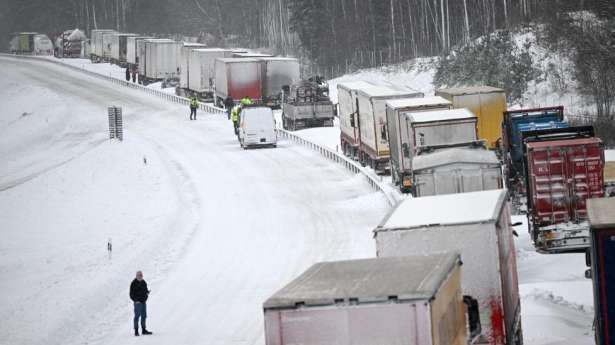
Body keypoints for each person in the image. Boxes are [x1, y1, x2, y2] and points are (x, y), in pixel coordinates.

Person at [130, 271, 152, 336]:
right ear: (136, 276)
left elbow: (145, 290)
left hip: (143, 302)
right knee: (137, 316)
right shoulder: (133, 283)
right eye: (138, 275)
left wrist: (147, 293)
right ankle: (136, 331)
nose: (140, 276)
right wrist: (135, 300)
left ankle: (144, 330)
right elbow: (131, 294)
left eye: (141, 275)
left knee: (144, 316)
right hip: (137, 303)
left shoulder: (143, 282)